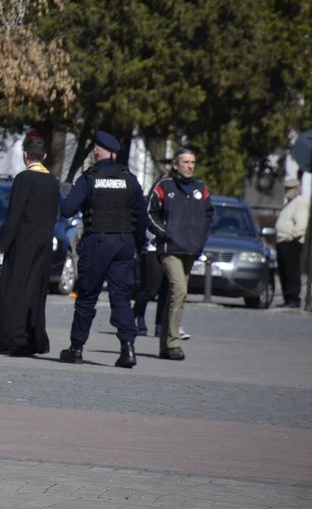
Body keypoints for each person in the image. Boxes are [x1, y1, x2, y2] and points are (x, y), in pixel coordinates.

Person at [59, 131, 145, 368]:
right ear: (114, 154)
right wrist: (136, 246)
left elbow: (66, 209)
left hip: (97, 243)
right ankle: (128, 349)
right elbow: (142, 217)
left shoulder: (90, 178)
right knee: (121, 297)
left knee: (87, 297)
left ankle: (76, 349)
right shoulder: (129, 179)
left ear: (97, 152)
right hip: (123, 243)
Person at [0, 138, 61, 356]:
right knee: (36, 292)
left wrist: (3, 242)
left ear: (25, 156)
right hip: (43, 244)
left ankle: (12, 338)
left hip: (22, 244)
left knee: (15, 291)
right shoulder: (53, 181)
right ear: (44, 157)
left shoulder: (23, 179)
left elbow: (14, 214)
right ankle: (35, 339)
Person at [146, 147, 213, 361]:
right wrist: (165, 233)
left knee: (175, 296)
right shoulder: (164, 185)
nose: (189, 166)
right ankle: (174, 342)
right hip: (170, 249)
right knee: (179, 290)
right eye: (185, 162)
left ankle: (164, 346)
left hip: (190, 249)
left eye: (192, 162)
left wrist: (201, 238)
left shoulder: (200, 187)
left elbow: (208, 214)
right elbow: (149, 211)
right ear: (176, 165)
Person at [274, 176, 308, 309]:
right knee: (284, 271)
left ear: (297, 189)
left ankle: (294, 298)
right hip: (282, 241)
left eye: (290, 188)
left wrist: (291, 236)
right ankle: (287, 298)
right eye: (286, 188)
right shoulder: (289, 202)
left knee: (291, 271)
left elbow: (301, 224)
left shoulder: (300, 202)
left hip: (291, 241)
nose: (287, 190)